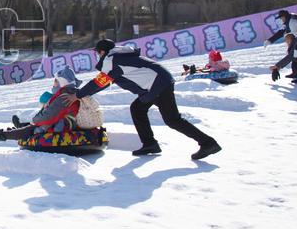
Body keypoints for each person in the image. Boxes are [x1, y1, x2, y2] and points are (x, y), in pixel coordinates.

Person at [66, 39, 221, 160]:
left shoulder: (111, 60)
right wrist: (84, 93)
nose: (97, 56)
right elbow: (105, 82)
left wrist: (78, 95)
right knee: (137, 108)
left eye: (97, 53)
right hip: (155, 85)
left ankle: (208, 143)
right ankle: (149, 144)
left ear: (102, 51)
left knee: (173, 120)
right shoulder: (118, 57)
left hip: (158, 85)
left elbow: (100, 82)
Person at [0, 67, 84, 143]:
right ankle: (19, 127)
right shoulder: (70, 93)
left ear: (63, 82)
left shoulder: (64, 96)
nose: (54, 84)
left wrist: (34, 120)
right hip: (63, 123)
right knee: (32, 126)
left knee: (31, 129)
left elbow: (48, 116)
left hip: (62, 126)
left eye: (56, 81)